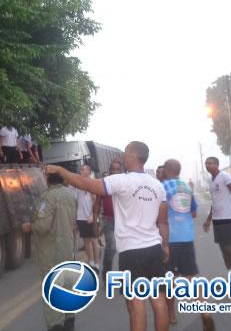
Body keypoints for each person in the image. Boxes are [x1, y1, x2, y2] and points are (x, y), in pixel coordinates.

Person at [46, 141, 170, 331]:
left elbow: (85, 183)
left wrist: (61, 172)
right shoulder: (157, 186)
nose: (122, 157)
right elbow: (162, 221)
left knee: (136, 304)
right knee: (159, 301)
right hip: (154, 248)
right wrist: (166, 246)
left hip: (132, 252)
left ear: (133, 156)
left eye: (126, 152)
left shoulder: (122, 180)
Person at [162, 159, 214, 330]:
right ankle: (205, 313)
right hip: (186, 237)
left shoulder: (163, 187)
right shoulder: (186, 187)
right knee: (191, 278)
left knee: (170, 279)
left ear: (167, 169)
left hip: (171, 239)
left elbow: (158, 215)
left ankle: (171, 314)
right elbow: (193, 213)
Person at [21, 172, 77, 331]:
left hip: (51, 251)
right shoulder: (69, 195)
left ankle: (56, 326)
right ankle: (69, 322)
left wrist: (29, 226)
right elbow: (73, 222)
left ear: (48, 180)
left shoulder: (48, 197)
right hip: (67, 248)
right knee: (67, 286)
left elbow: (43, 226)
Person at [202, 156, 231, 275]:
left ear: (217, 164)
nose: (207, 165)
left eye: (210, 163)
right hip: (217, 219)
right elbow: (214, 202)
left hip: (227, 218)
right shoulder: (211, 181)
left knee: (229, 248)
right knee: (223, 249)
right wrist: (208, 219)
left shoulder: (225, 176)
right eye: (206, 163)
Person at [95, 159, 121, 278]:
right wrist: (95, 222)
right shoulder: (104, 183)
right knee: (112, 247)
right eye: (112, 169)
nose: (114, 171)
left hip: (123, 222)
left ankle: (123, 277)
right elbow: (97, 203)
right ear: (109, 170)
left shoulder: (124, 184)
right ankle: (106, 273)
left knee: (123, 249)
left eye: (117, 169)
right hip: (108, 220)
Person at [71, 164, 100, 272]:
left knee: (94, 241)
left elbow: (95, 201)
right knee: (86, 241)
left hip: (91, 217)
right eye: (80, 169)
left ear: (88, 171)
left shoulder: (92, 184)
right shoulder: (79, 184)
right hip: (81, 217)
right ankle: (91, 261)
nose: (80, 171)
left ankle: (97, 263)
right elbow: (76, 201)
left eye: (83, 169)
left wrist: (92, 215)